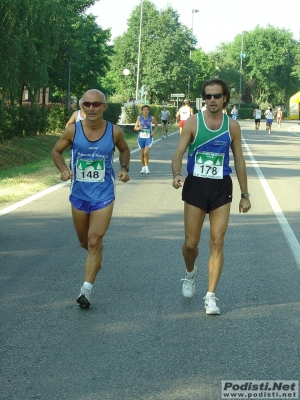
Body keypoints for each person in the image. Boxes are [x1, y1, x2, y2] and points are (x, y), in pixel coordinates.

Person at [171, 78, 251, 315]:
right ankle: (190, 272)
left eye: (217, 96)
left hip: (220, 188)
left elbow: (239, 160)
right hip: (195, 186)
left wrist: (245, 194)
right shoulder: (193, 123)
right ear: (203, 99)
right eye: (208, 96)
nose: (212, 100)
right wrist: (176, 174)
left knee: (217, 241)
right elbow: (178, 153)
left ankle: (210, 296)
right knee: (191, 244)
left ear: (225, 98)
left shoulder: (232, 126)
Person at [51, 89, 130, 309]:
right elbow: (56, 152)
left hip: (104, 195)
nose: (91, 108)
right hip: (79, 195)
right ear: (82, 107)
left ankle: (86, 289)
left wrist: (124, 168)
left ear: (104, 107)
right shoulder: (72, 131)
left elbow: (124, 149)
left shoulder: (114, 132)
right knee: (84, 242)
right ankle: (95, 258)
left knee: (95, 240)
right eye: (87, 104)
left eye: (96, 104)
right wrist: (63, 169)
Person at [134, 104, 158, 174]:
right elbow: (135, 127)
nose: (145, 111)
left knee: (146, 153)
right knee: (142, 154)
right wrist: (139, 128)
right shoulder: (139, 118)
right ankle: (143, 168)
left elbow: (156, 125)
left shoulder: (151, 118)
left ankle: (147, 167)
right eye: (144, 110)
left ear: (148, 111)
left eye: (146, 110)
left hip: (148, 138)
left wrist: (154, 131)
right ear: (142, 111)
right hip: (141, 138)